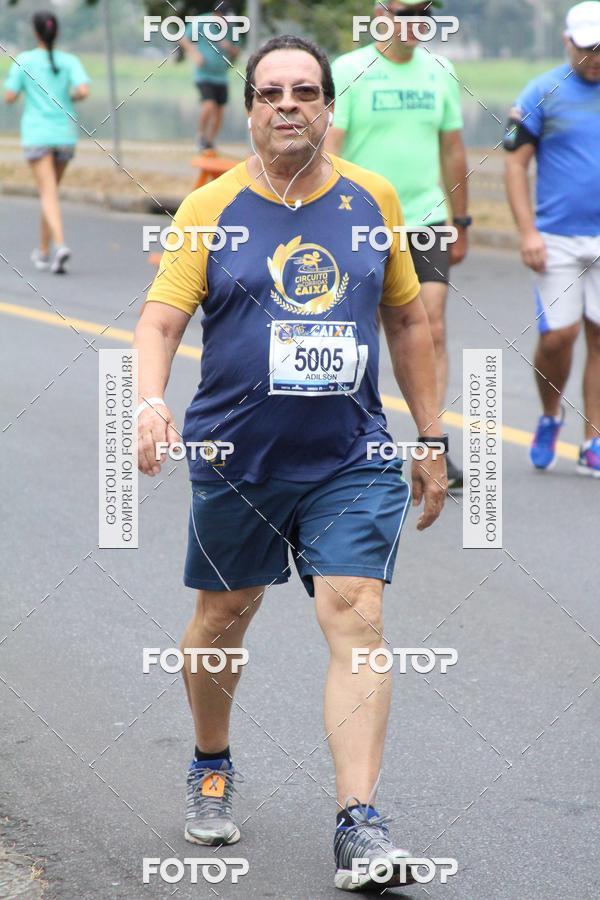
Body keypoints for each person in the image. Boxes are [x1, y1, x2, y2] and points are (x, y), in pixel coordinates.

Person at [134, 34, 448, 892]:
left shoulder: (372, 199)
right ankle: (209, 761)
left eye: (303, 91)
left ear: (327, 105)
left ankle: (360, 824)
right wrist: (149, 401)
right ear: (249, 109)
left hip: (349, 456)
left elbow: (410, 324)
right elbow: (160, 320)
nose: (287, 106)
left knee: (356, 613)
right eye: (270, 92)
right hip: (238, 456)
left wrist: (431, 437)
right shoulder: (211, 208)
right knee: (223, 618)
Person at [325, 0, 470, 489]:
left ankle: (434, 443)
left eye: (426, 11)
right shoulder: (349, 69)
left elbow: (452, 148)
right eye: (406, 9)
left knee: (430, 327)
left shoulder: (441, 70)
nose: (416, 20)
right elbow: (331, 148)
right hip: (363, 220)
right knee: (355, 332)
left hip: (427, 218)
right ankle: (345, 440)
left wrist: (462, 218)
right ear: (379, 12)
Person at [504, 0, 600, 477]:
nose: (597, 56)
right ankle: (549, 415)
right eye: (588, 47)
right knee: (559, 336)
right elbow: (515, 164)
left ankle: (593, 441)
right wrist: (527, 232)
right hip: (556, 237)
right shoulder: (542, 91)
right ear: (568, 41)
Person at [3, 10, 90, 274]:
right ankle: (43, 252)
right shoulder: (70, 60)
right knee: (48, 193)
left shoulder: (25, 60)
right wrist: (66, 97)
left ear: (35, 32)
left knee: (47, 193)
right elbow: (83, 90)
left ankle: (61, 245)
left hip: (38, 135)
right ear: (57, 32)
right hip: (64, 135)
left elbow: (9, 96)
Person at [179, 2, 240, 150]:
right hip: (204, 75)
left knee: (220, 111)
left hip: (221, 75)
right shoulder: (201, 21)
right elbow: (183, 38)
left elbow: (237, 52)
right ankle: (200, 136)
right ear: (216, 14)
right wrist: (195, 54)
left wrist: (229, 47)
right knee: (209, 105)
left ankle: (210, 141)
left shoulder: (231, 28)